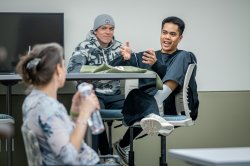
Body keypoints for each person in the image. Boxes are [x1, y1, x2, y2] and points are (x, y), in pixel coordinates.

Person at [114, 16, 199, 165]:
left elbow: (168, 73)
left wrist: (156, 65)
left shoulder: (184, 57)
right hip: (151, 106)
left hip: (174, 105)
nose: (167, 37)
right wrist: (126, 58)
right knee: (135, 95)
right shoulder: (150, 55)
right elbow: (113, 67)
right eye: (164, 32)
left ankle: (154, 106)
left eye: (172, 34)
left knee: (185, 55)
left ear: (180, 37)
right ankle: (150, 114)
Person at [16, 43, 101, 165]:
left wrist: (75, 111)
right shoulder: (48, 108)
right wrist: (84, 114)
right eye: (64, 64)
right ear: (58, 69)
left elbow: (61, 136)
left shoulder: (32, 100)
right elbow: (69, 157)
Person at [67, 14, 133, 162]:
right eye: (104, 28)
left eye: (111, 29)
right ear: (95, 30)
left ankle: (123, 145)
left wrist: (129, 59)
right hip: (95, 94)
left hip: (115, 95)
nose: (108, 32)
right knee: (94, 111)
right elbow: (73, 71)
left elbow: (136, 70)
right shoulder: (84, 47)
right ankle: (106, 155)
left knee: (140, 107)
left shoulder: (120, 47)